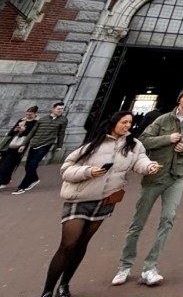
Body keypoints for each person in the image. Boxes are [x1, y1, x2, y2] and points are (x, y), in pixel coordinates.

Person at [40, 110, 160, 297]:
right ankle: (47, 291)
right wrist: (88, 172)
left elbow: (140, 161)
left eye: (130, 123)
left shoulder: (134, 145)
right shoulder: (94, 142)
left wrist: (149, 166)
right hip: (80, 197)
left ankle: (64, 285)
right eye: (124, 122)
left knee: (82, 244)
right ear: (114, 122)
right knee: (68, 245)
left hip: (105, 200)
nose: (128, 126)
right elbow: (66, 169)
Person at [113, 86, 183, 287]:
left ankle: (150, 267)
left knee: (168, 219)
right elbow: (143, 141)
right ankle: (125, 266)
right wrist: (167, 139)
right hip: (155, 175)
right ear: (179, 99)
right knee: (138, 222)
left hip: (177, 176)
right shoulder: (162, 120)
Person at [13, 101, 66, 194]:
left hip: (45, 145)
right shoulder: (42, 119)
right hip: (34, 144)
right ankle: (34, 179)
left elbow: (61, 133)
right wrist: (24, 144)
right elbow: (32, 132)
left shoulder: (63, 120)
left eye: (62, 109)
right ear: (53, 109)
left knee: (32, 165)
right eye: (58, 109)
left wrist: (59, 146)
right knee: (28, 166)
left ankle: (22, 187)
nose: (60, 111)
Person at [0, 106, 38, 188]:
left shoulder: (36, 122)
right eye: (27, 114)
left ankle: (4, 181)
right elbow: (11, 132)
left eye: (30, 115)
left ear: (35, 114)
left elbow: (31, 134)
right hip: (11, 143)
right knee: (3, 161)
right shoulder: (22, 120)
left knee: (9, 163)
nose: (28, 116)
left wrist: (24, 131)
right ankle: (6, 179)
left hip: (21, 144)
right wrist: (16, 130)